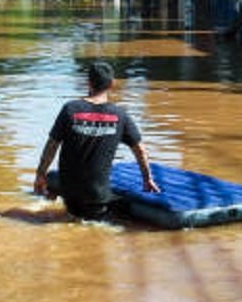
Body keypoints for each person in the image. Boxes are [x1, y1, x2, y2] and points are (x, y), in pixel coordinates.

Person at [34, 62, 160, 220]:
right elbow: (140, 150)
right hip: (98, 196)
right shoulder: (120, 115)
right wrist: (147, 179)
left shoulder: (69, 109)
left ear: (88, 82)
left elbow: (52, 146)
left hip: (69, 193)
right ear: (112, 84)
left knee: (72, 216)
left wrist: (40, 175)